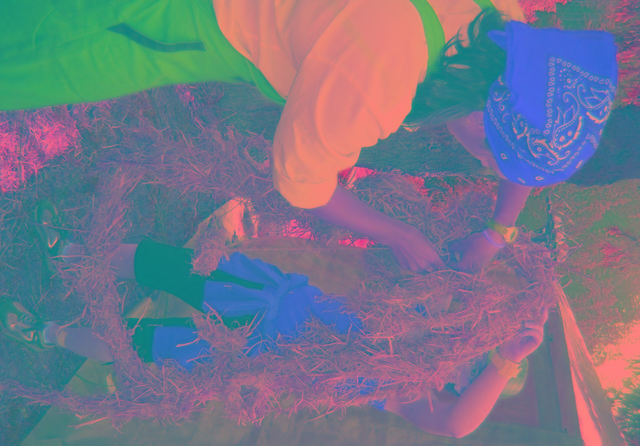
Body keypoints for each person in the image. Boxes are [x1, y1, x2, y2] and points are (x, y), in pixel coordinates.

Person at [0, 1, 618, 275]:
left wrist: (496, 232)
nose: (481, 162)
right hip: (187, 16)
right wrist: (398, 233)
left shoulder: (502, 23)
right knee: (32, 50)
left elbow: (527, 125)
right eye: (487, 152)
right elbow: (302, 183)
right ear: (483, 115)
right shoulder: (378, 79)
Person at [1, 198, 547, 439]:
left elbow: (456, 427)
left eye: (474, 368)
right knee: (168, 264)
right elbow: (457, 278)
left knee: (141, 344)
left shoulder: (409, 393)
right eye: (477, 351)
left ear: (463, 386)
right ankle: (68, 253)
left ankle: (46, 334)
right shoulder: (421, 326)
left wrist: (505, 362)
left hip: (250, 357)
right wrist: (503, 243)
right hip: (264, 294)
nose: (465, 357)